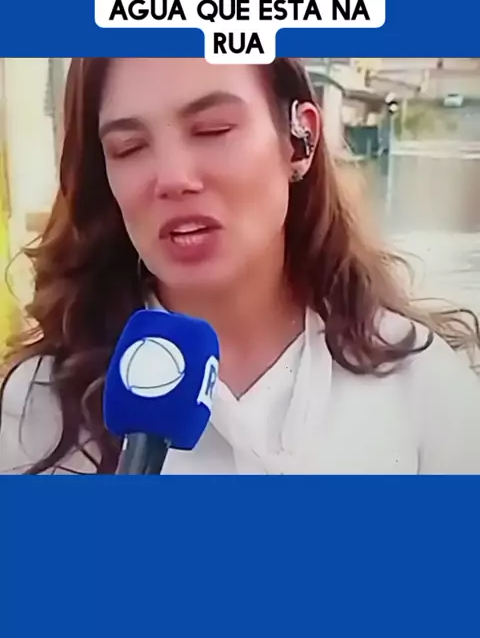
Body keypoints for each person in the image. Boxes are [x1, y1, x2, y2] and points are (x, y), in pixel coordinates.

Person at [1, 56, 480, 475]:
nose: (173, 178)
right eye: (129, 147)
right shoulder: (38, 408)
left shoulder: (425, 388)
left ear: (300, 140)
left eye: (213, 130)